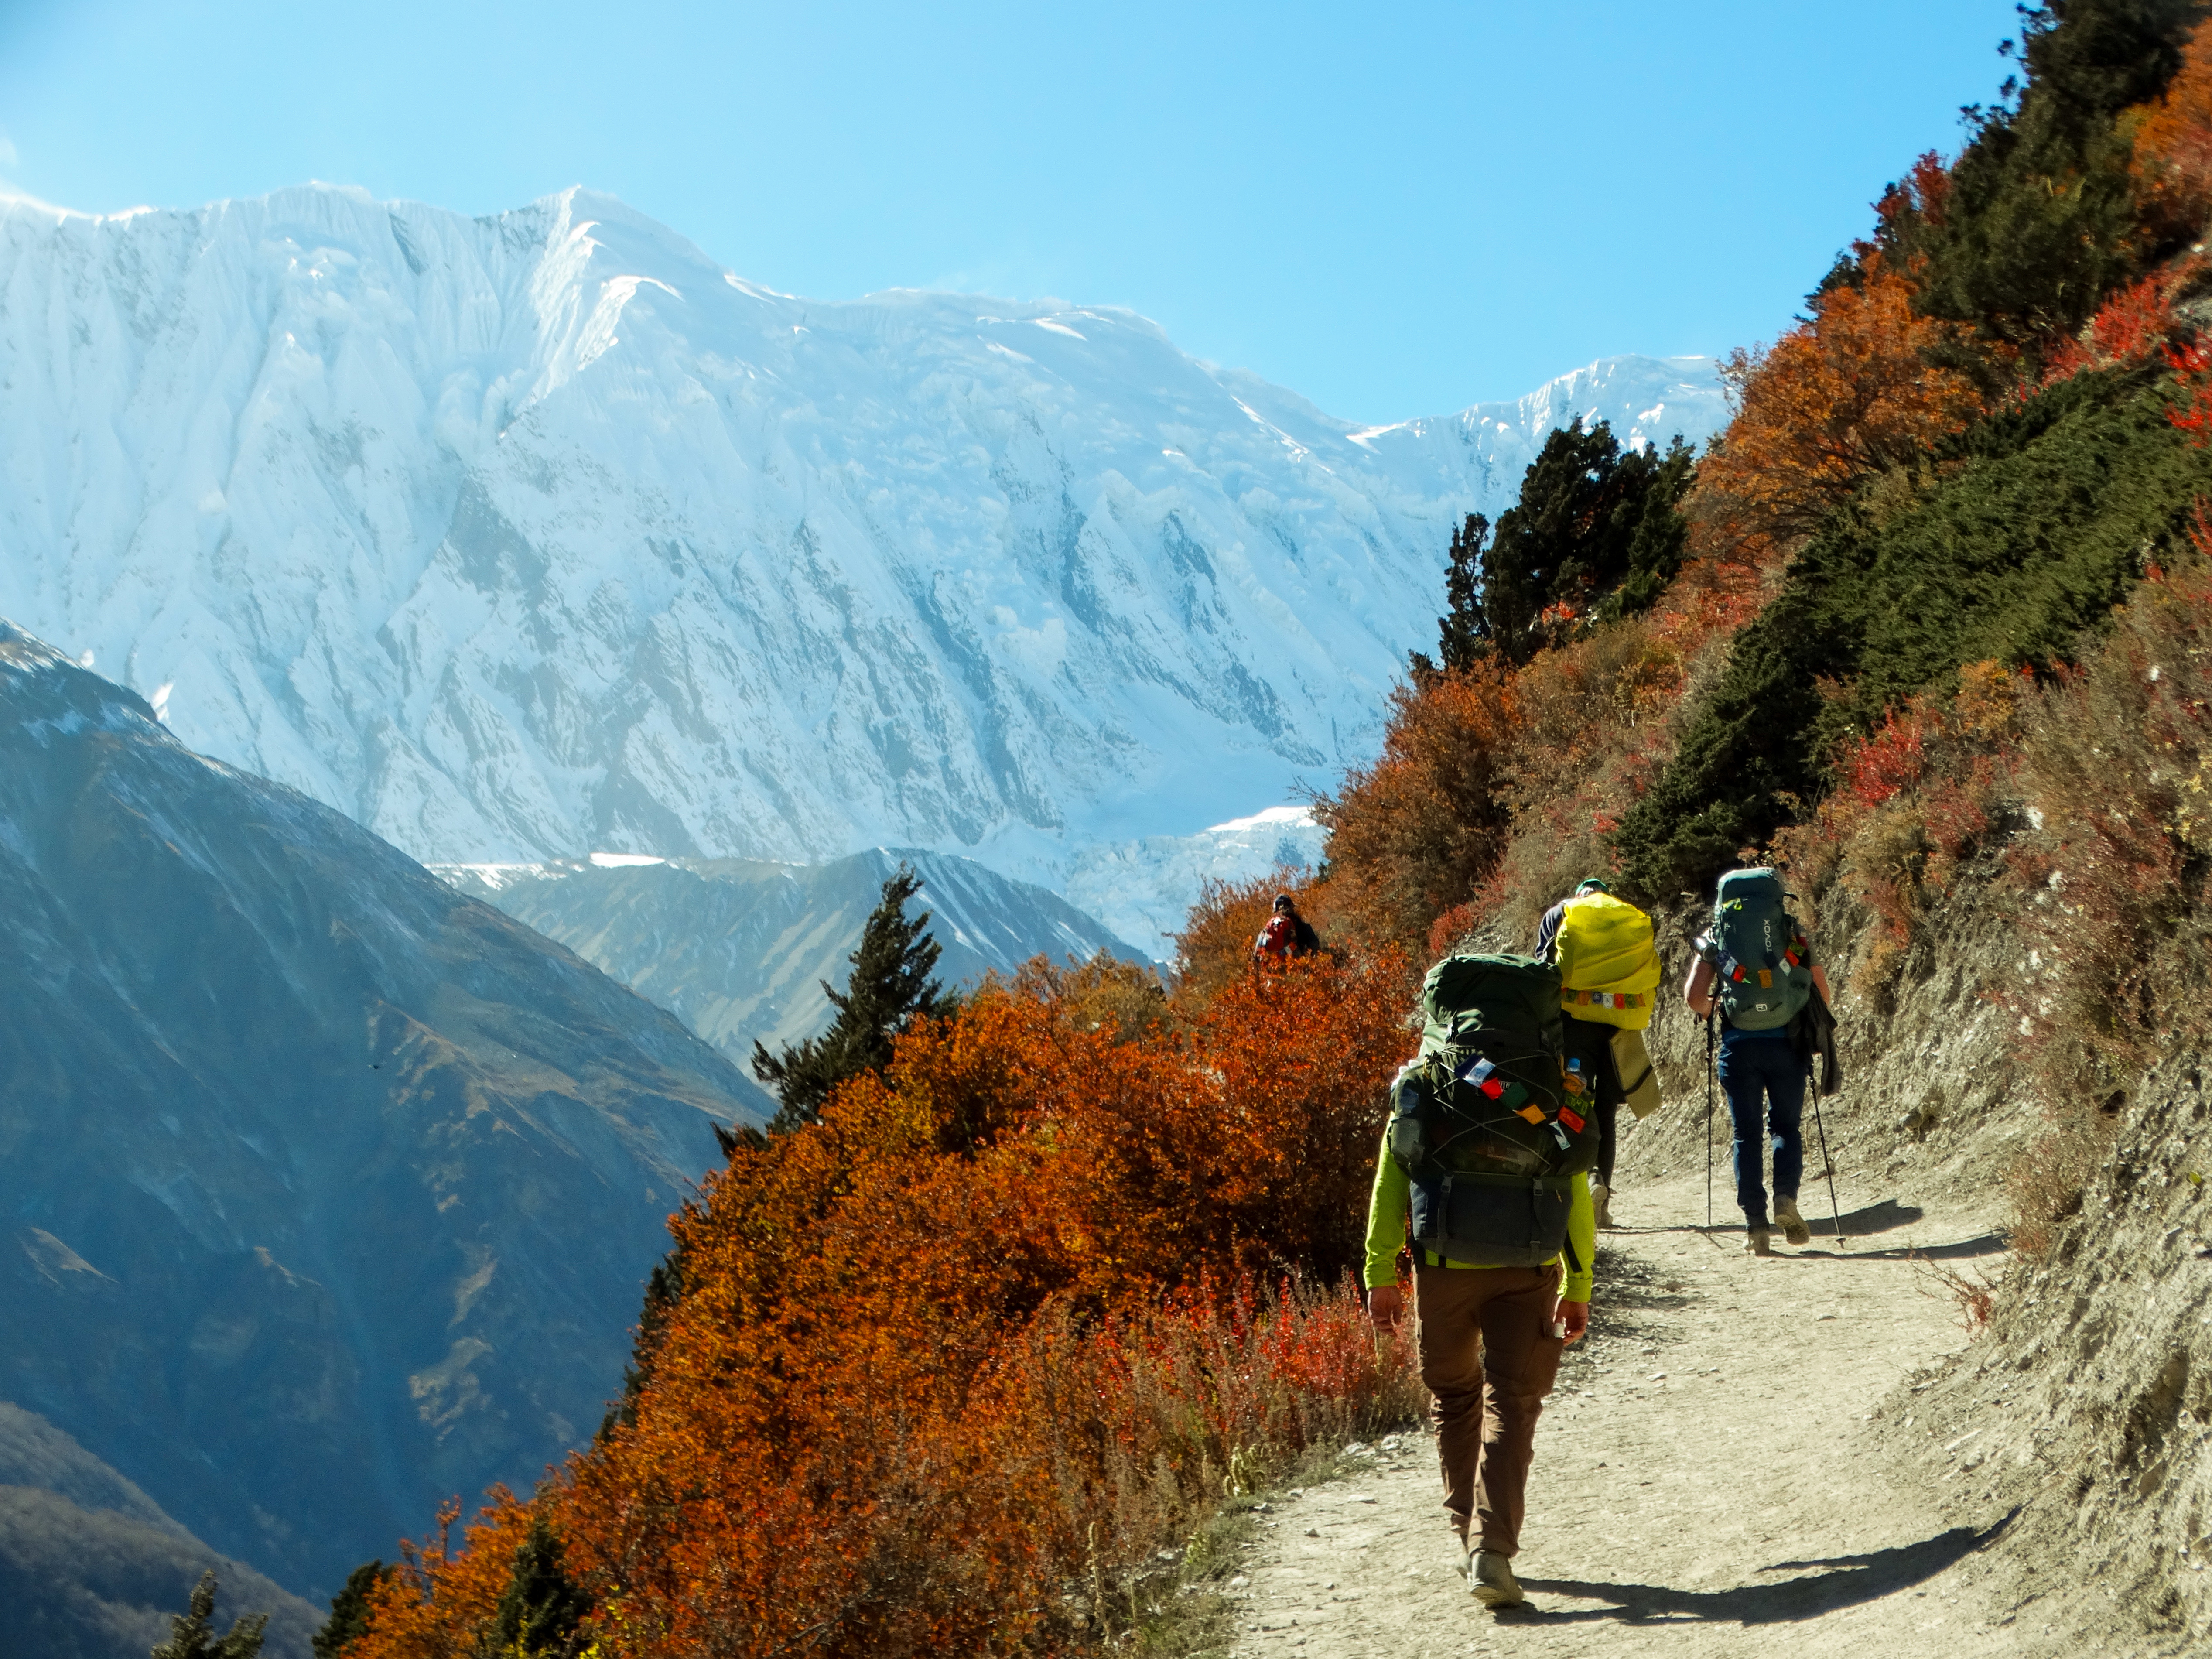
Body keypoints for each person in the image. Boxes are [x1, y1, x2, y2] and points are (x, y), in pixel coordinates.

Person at [1363, 1125, 1595, 1608]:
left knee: (1453, 1395)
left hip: (1442, 1269)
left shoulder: (1423, 1082)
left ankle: (1466, 1536)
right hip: (1527, 1267)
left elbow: (1391, 1180)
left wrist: (1380, 1271)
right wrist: (1579, 1282)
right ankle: (1489, 1548)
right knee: (1512, 1400)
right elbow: (1571, 1182)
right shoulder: (1549, 1083)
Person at [1682, 889, 1834, 1255]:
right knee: (1785, 1127)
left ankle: (1755, 1225)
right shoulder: (1792, 934)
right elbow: (1822, 994)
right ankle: (1785, 1196)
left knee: (1745, 1134)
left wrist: (1713, 1008)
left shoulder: (1718, 938)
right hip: (1787, 1046)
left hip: (1739, 1047)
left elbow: (1694, 998)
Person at [1534, 877, 1646, 1230]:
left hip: (1575, 1027)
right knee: (1607, 1113)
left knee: (1574, 1106)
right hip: (1618, 1026)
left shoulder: (1559, 914)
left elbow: (1542, 967)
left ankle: (1586, 1186)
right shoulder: (1624, 921)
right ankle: (1604, 1199)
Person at [1252, 892, 1321, 965]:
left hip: (1272, 970)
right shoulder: (1304, 927)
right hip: (1298, 968)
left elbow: (1256, 955)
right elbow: (1315, 947)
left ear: (1277, 912)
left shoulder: (1269, 928)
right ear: (1292, 908)